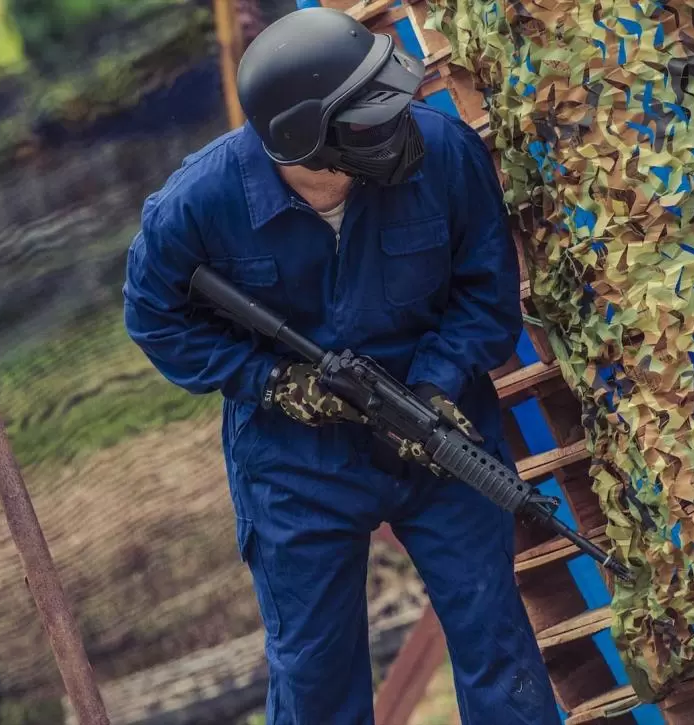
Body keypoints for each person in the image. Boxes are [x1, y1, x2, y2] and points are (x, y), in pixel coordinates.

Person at [122, 7, 561, 725]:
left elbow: (488, 297)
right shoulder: (195, 206)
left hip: (440, 435)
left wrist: (436, 381)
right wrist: (272, 381)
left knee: (499, 648)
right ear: (300, 137)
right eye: (370, 121)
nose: (400, 129)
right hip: (296, 464)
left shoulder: (445, 154)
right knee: (315, 677)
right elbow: (154, 318)